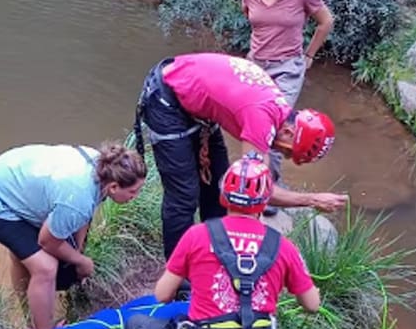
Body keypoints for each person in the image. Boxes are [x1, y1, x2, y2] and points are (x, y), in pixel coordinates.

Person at [123, 153, 321, 329]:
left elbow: (162, 295)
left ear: (223, 195)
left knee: (136, 326)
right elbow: (312, 304)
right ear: (265, 202)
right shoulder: (282, 246)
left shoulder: (197, 235)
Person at [133, 52, 346, 258]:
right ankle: (178, 277)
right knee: (184, 197)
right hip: (167, 100)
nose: (285, 155)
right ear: (289, 132)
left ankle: (212, 254)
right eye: (289, 152)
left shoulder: (277, 109)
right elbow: (255, 190)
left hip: (196, 106)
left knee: (217, 185)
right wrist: (311, 199)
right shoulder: (261, 117)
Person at [0, 142, 147, 329]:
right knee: (45, 267)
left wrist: (76, 251)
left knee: (26, 256)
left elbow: (83, 213)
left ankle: (32, 324)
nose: (136, 197)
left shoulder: (104, 167)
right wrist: (82, 262)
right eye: (133, 192)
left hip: (13, 179)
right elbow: (47, 241)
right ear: (114, 187)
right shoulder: (78, 197)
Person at [243, 0, 335, 182]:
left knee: (273, 122)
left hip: (287, 68)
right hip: (256, 66)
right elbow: (252, 19)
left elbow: (326, 22)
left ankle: (270, 183)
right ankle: (253, 177)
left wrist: (309, 55)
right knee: (254, 121)